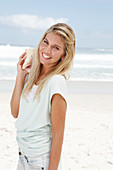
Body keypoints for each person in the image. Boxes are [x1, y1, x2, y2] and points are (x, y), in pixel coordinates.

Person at [10, 23, 75, 170]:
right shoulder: (30, 76)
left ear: (64, 55)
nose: (47, 50)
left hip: (40, 161)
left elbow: (58, 135)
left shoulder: (56, 82)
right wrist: (20, 75)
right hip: (22, 156)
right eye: (46, 42)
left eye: (56, 47)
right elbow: (15, 112)